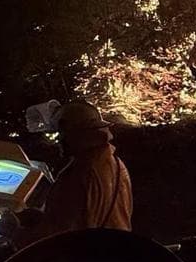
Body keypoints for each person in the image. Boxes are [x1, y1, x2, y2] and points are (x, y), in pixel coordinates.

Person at [19, 101, 132, 245]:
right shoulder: (114, 163)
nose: (59, 141)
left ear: (76, 135)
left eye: (62, 134)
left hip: (87, 260)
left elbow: (57, 239)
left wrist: (14, 232)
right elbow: (81, 216)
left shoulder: (80, 175)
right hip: (113, 252)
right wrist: (42, 217)